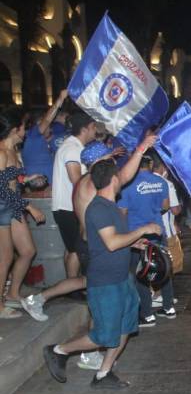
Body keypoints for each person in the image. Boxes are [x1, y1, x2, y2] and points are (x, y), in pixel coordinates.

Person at [43, 160, 162, 389]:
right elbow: (111, 242)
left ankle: (103, 374)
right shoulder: (98, 208)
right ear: (114, 179)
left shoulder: (112, 207)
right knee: (103, 335)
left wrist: (134, 243)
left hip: (122, 278)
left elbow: (114, 240)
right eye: (119, 175)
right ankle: (58, 350)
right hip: (105, 282)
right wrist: (142, 229)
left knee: (126, 327)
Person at [22, 135, 154, 332]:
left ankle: (37, 299)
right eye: (110, 158)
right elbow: (124, 177)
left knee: (87, 282)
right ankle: (95, 342)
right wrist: (141, 149)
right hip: (95, 244)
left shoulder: (89, 180)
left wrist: (140, 150)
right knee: (99, 291)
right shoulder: (93, 182)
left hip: (91, 242)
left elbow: (123, 177)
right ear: (100, 161)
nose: (114, 163)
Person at [117, 152, 174, 327]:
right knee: (163, 268)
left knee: (140, 274)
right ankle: (169, 307)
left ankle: (147, 315)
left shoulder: (127, 186)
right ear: (149, 165)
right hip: (157, 231)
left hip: (136, 236)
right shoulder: (161, 182)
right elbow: (165, 206)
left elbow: (122, 214)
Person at [0, 107, 46, 318]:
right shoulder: (1, 152)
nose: (26, 131)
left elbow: (12, 180)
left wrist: (26, 179)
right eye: (23, 128)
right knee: (5, 257)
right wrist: (28, 206)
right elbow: (1, 188)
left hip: (13, 204)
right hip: (3, 208)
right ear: (14, 129)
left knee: (28, 251)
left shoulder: (13, 151)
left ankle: (13, 293)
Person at [51, 112, 99, 281]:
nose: (96, 131)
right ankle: (73, 286)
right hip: (68, 207)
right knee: (76, 250)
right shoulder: (72, 149)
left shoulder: (75, 147)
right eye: (93, 127)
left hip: (68, 206)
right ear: (84, 129)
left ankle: (71, 282)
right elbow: (76, 181)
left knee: (71, 248)